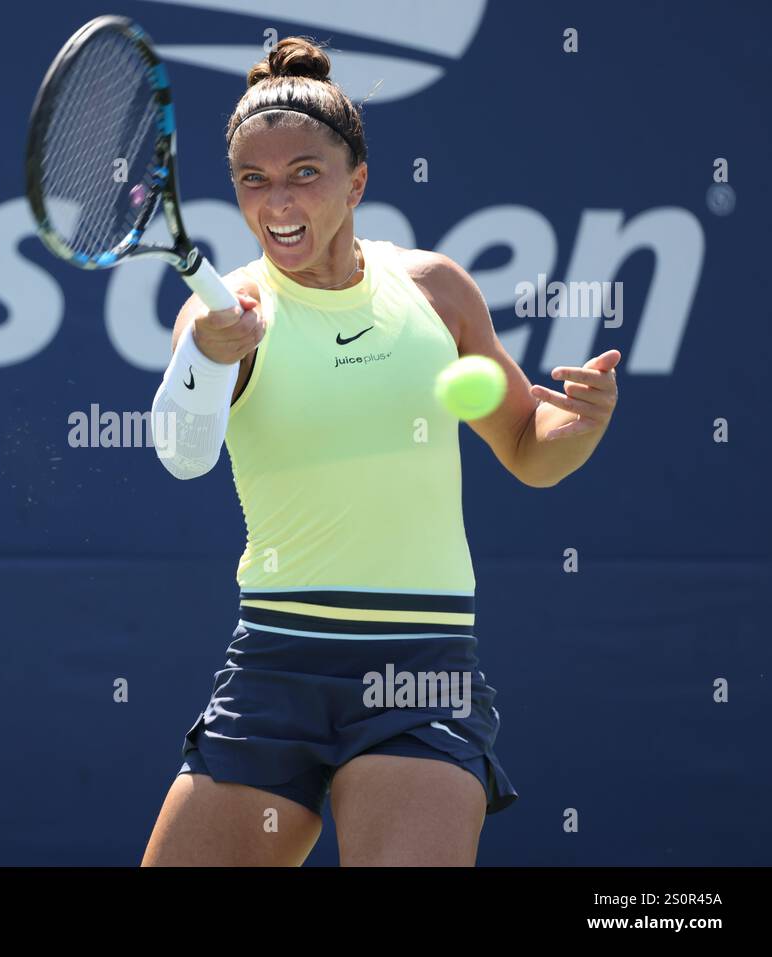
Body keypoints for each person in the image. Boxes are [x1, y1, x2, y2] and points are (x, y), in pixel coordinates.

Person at [142, 36, 619, 866]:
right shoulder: (225, 315)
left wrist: (578, 426)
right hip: (272, 667)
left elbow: (527, 447)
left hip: (421, 669)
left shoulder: (436, 291)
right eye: (254, 179)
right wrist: (210, 356)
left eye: (304, 173)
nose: (278, 199)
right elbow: (182, 457)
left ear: (357, 180)